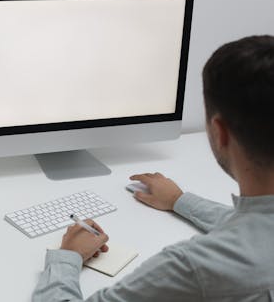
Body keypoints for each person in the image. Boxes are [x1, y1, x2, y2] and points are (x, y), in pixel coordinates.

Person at [32, 35, 274, 301]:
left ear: (220, 133)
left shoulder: (193, 266)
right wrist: (180, 201)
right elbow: (258, 231)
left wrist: (67, 258)